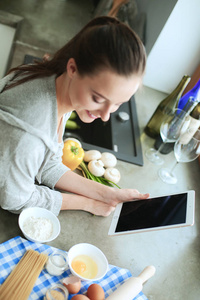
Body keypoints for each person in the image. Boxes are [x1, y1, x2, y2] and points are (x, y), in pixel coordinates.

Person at [0, 16, 149, 217]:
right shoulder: (29, 134)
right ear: (73, 68)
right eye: (98, 98)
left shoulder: (58, 83)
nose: (106, 116)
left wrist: (108, 194)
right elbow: (16, 199)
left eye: (117, 104)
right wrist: (86, 204)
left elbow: (46, 163)